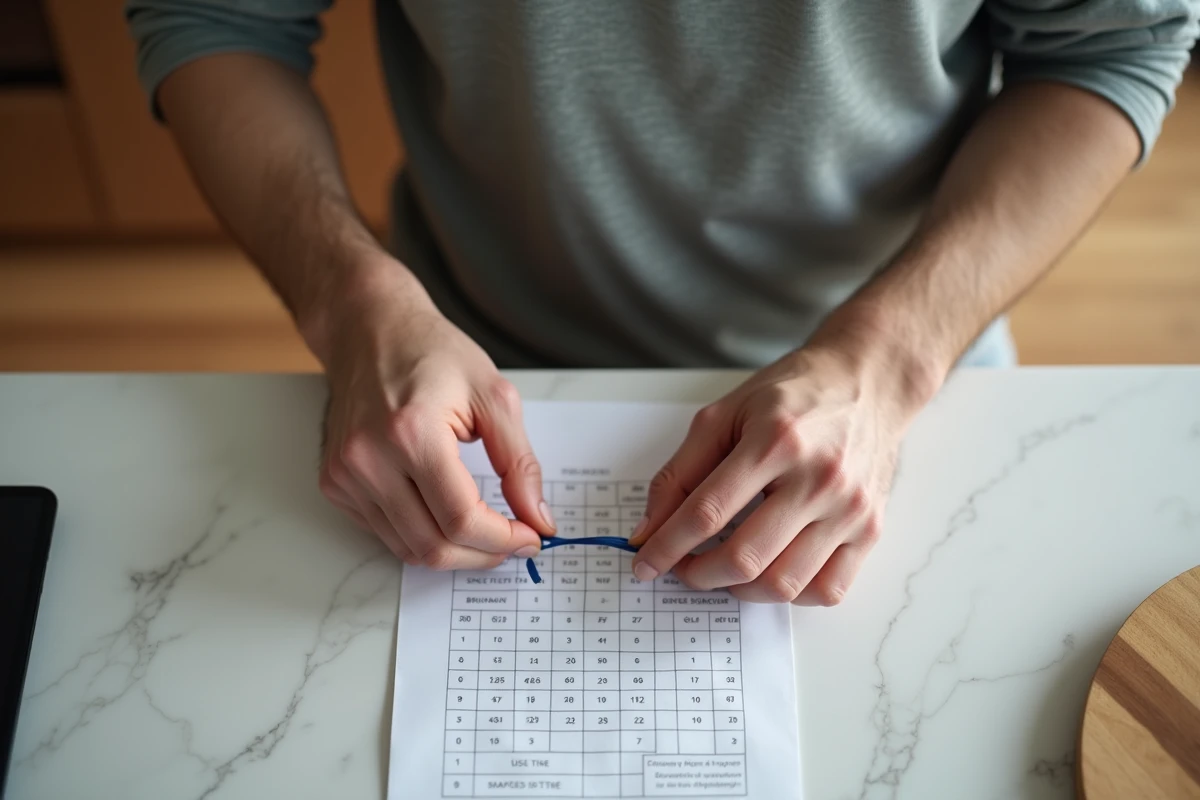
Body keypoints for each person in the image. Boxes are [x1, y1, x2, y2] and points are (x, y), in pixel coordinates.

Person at [127, 1, 1197, 605]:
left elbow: (1114, 42)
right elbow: (216, 15)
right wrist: (350, 300)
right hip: (456, 379)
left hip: (907, 388)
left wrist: (889, 359)